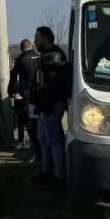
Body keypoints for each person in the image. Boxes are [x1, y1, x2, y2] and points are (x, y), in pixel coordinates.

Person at [31, 26, 69, 184]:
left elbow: (58, 83)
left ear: (45, 39)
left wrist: (45, 88)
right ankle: (47, 171)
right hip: (45, 104)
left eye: (37, 39)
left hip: (53, 103)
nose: (35, 42)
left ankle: (59, 175)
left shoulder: (55, 56)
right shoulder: (48, 56)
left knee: (53, 140)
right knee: (43, 139)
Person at [10, 39, 38, 152]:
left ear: (21, 48)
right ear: (31, 46)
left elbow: (13, 76)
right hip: (37, 94)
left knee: (23, 119)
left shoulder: (21, 60)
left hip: (24, 95)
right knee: (35, 121)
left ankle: (23, 141)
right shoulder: (38, 58)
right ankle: (35, 144)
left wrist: (11, 91)